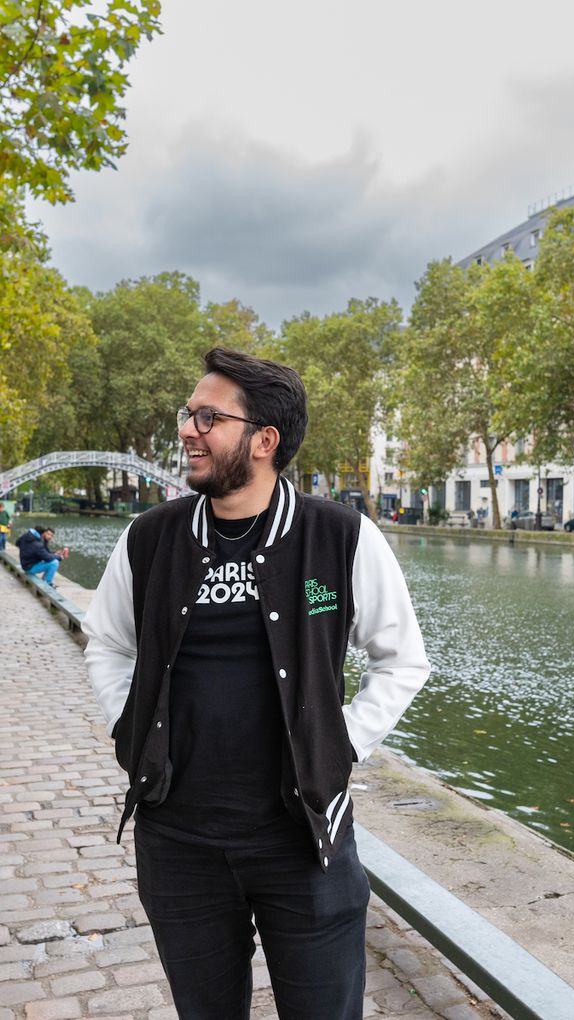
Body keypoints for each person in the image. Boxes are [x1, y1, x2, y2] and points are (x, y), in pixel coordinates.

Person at [83, 347, 430, 1020]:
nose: (187, 429)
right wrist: (127, 729)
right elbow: (107, 643)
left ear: (264, 440)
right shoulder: (149, 540)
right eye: (189, 414)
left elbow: (402, 661)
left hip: (304, 844)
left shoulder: (341, 538)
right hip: (178, 845)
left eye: (208, 417)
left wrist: (341, 743)